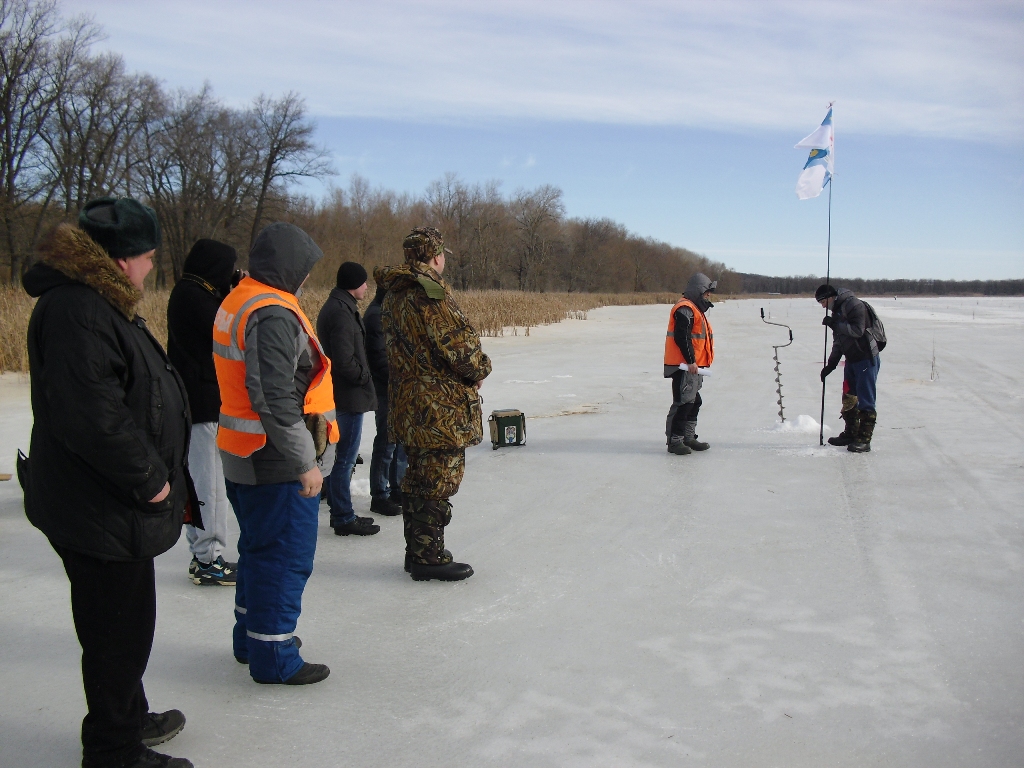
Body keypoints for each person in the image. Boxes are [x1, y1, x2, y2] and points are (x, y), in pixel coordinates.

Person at [22, 197, 195, 768]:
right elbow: (91, 415)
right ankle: (113, 748)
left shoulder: (98, 302)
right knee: (116, 632)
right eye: (147, 258)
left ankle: (127, 713)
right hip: (100, 504)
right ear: (122, 260)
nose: (150, 268)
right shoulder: (78, 309)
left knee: (124, 622)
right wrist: (151, 481)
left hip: (107, 503)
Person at [212, 222, 336, 685]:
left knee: (259, 552)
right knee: (283, 556)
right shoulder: (271, 312)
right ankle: (274, 654)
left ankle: (253, 638)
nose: (306, 278)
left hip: (243, 452)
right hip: (273, 460)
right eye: (303, 269)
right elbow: (275, 397)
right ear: (287, 267)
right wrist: (305, 461)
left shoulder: (240, 298)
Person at [375, 226, 491, 582]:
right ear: (435, 255)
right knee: (438, 479)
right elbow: (456, 345)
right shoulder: (429, 292)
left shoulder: (393, 293)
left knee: (417, 478)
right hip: (438, 406)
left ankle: (418, 552)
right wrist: (480, 368)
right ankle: (428, 556)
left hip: (409, 402)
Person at [167, 239, 240, 585]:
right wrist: (235, 295)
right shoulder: (194, 298)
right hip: (203, 405)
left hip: (195, 403)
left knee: (199, 482)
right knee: (208, 484)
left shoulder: (189, 293)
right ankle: (209, 559)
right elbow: (226, 331)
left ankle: (202, 554)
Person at [316, 261, 380, 536]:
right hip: (347, 396)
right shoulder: (341, 313)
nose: (367, 287)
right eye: (364, 282)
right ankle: (343, 517)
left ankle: (342, 511)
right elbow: (344, 359)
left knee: (340, 459)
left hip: (343, 394)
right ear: (354, 283)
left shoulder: (340, 306)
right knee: (344, 459)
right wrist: (364, 377)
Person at [816, 284, 881, 453]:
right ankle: (851, 433)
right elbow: (839, 342)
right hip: (852, 360)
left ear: (831, 297)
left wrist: (835, 325)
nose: (823, 305)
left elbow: (857, 330)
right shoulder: (837, 311)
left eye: (823, 301)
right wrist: (830, 365)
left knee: (866, 399)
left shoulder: (854, 305)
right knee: (849, 397)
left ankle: (864, 440)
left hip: (866, 358)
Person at [364, 283, 407, 517]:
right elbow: (380, 359)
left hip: (395, 387)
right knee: (386, 442)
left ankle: (396, 487)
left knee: (398, 440)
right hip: (386, 389)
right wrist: (399, 380)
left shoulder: (387, 313)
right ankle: (379, 494)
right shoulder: (376, 316)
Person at [664, 273, 716, 455]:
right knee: (683, 402)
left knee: (694, 401)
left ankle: (688, 437)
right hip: (684, 366)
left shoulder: (695, 309)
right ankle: (675, 441)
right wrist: (691, 361)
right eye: (706, 293)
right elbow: (681, 336)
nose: (708, 297)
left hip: (694, 368)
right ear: (698, 291)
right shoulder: (685, 308)